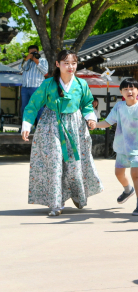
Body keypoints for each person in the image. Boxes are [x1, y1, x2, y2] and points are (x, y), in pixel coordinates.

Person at [21, 50, 102, 216]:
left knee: (74, 164)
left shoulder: (81, 84)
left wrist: (90, 118)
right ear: (57, 64)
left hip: (75, 126)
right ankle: (56, 203)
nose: (70, 66)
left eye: (73, 63)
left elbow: (87, 103)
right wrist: (27, 125)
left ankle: (77, 194)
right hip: (51, 126)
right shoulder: (48, 84)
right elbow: (33, 105)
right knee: (55, 162)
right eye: (66, 63)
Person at [95, 78, 138, 216]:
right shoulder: (119, 107)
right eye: (126, 89)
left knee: (135, 175)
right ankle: (128, 190)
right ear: (121, 92)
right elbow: (108, 122)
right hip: (122, 147)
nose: (129, 91)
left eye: (132, 88)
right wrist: (95, 124)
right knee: (118, 174)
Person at [20, 44, 48, 122]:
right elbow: (20, 70)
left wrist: (37, 62)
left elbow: (45, 72)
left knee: (38, 107)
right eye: (30, 53)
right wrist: (26, 60)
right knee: (24, 108)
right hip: (25, 88)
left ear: (38, 52)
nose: (32, 54)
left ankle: (40, 128)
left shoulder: (43, 60)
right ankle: (25, 127)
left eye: (34, 52)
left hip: (37, 88)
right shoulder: (26, 61)